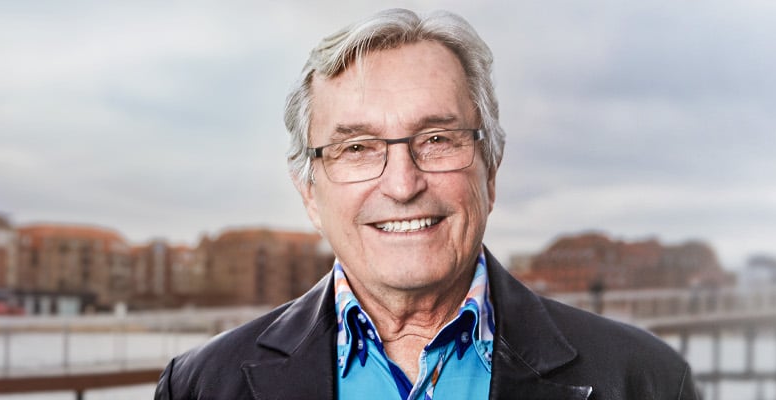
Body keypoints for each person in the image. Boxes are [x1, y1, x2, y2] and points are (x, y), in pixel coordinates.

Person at [155, 8, 696, 400]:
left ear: (491, 170)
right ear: (309, 193)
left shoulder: (643, 380)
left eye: (437, 139)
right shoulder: (200, 387)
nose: (402, 184)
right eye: (357, 148)